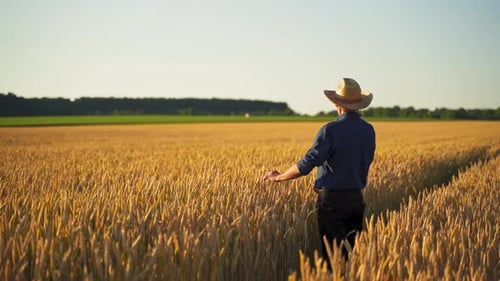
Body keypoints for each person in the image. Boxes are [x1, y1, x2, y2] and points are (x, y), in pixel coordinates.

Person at [263, 77, 376, 263]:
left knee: (333, 258)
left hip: (333, 201)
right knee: (351, 257)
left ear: (337, 104)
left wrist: (278, 177)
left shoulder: (331, 130)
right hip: (357, 199)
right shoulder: (368, 130)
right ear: (358, 105)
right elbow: (363, 160)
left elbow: (307, 164)